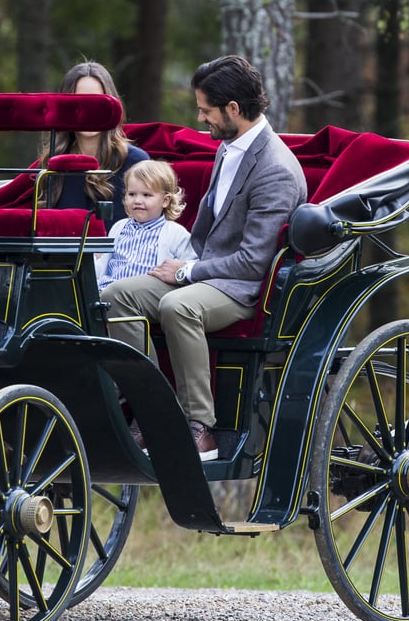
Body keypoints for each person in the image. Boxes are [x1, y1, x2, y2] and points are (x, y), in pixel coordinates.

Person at [101, 55, 308, 461]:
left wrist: (187, 271)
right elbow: (206, 230)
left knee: (178, 306)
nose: (200, 118)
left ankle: (201, 427)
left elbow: (252, 261)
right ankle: (150, 407)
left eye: (205, 110)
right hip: (205, 273)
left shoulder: (276, 170)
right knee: (117, 295)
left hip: (243, 287)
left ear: (233, 109)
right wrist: (178, 265)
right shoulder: (228, 148)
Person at [38, 61, 148, 229]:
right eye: (79, 103)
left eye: (97, 102)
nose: (88, 112)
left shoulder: (135, 162)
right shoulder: (54, 164)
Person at [95, 160, 196, 291]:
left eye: (146, 195)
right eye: (131, 194)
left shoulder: (175, 233)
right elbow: (103, 265)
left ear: (165, 200)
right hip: (105, 290)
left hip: (140, 297)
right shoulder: (118, 227)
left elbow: (191, 265)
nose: (137, 201)